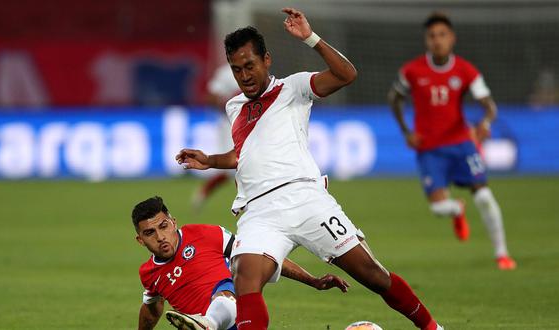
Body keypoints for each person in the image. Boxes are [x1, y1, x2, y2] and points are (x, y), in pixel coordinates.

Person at [176, 7, 443, 330]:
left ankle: (432, 327)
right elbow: (244, 154)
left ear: (266, 60)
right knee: (245, 277)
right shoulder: (235, 107)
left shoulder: (295, 88)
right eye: (237, 70)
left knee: (373, 275)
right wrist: (210, 160)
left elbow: (347, 75)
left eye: (249, 66)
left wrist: (311, 38)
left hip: (305, 198)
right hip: (259, 210)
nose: (244, 76)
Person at [387, 12, 516, 270]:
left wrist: (484, 124)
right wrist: (406, 131)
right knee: (438, 209)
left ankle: (502, 253)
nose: (437, 40)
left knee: (484, 196)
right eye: (432, 36)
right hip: (429, 149)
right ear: (427, 40)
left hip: (461, 143)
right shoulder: (412, 71)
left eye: (442, 35)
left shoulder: (466, 70)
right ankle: (457, 210)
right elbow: (394, 98)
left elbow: (489, 105)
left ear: (452, 38)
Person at [133, 196, 350, 330]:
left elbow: (260, 255)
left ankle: (208, 323)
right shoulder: (149, 274)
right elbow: (152, 310)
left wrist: (313, 281)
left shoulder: (208, 234)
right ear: (140, 240)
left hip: (241, 321)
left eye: (164, 226)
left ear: (173, 223)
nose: (161, 237)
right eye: (150, 233)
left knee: (231, 282)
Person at [192, 64, 241, 211]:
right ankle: (204, 192)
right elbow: (211, 97)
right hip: (230, 125)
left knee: (247, 164)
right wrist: (230, 104)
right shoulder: (226, 72)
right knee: (231, 167)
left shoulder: (258, 67)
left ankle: (249, 201)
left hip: (254, 124)